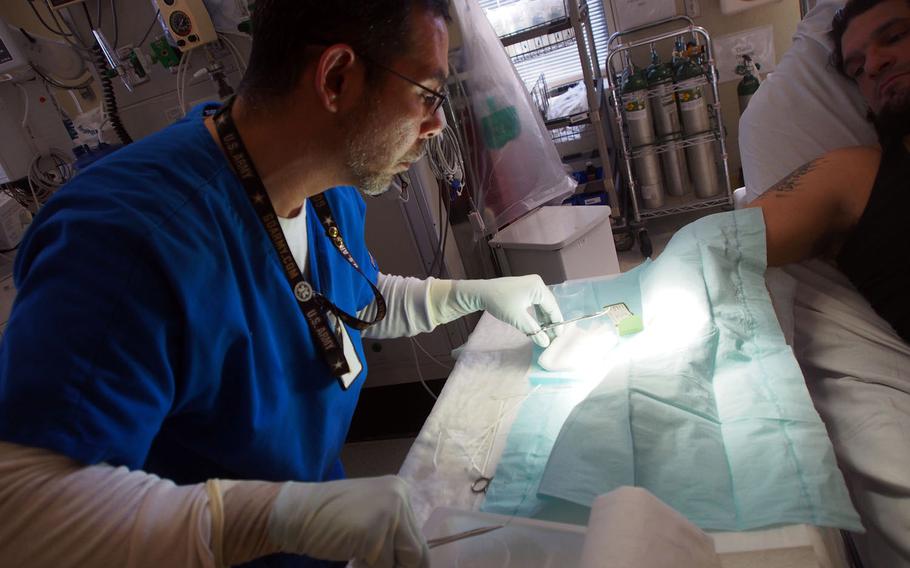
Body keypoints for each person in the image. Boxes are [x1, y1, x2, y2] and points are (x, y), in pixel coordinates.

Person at [0, 1, 564, 567]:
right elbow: (24, 515)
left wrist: (465, 297)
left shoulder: (327, 182)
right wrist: (275, 517)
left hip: (308, 544)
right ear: (337, 77)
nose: (437, 125)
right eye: (427, 94)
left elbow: (339, 302)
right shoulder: (127, 241)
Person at [746, 0, 910, 564]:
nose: (876, 65)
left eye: (895, 36)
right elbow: (726, 244)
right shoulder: (856, 175)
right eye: (858, 67)